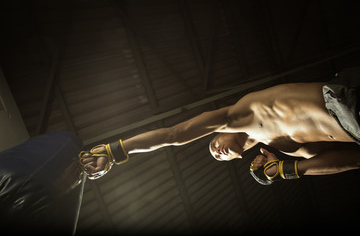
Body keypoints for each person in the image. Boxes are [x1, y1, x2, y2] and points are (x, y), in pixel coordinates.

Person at [79, 68, 360, 183]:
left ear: (216, 130)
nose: (216, 151)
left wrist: (113, 151)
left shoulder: (240, 114)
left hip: (346, 100)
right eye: (216, 156)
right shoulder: (284, 147)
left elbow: (173, 135)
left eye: (212, 144)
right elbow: (350, 159)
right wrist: (287, 170)